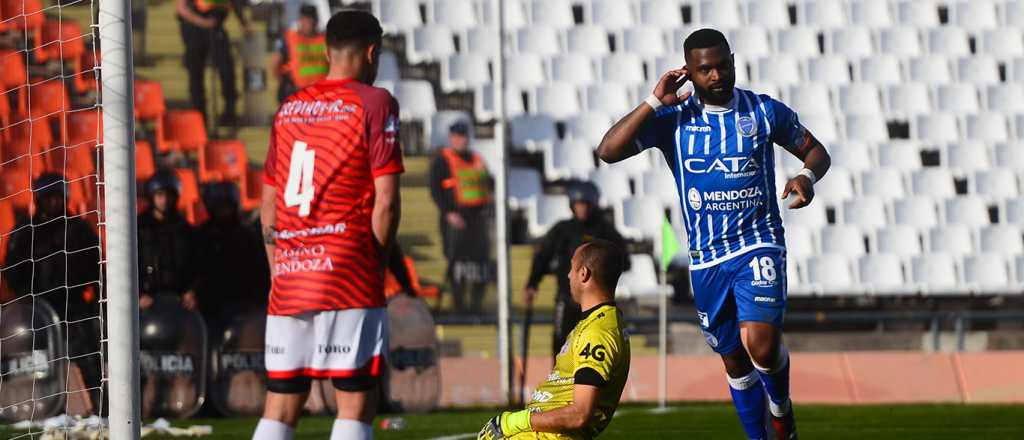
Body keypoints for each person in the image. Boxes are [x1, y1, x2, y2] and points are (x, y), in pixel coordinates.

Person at [596, 28, 831, 440]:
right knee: (735, 362)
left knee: (759, 343)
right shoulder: (673, 120)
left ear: (733, 62)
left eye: (723, 65)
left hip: (758, 243)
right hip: (706, 258)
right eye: (705, 69)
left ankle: (781, 408)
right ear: (688, 72)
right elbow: (608, 150)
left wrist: (806, 177)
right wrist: (654, 101)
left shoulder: (763, 111)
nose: (717, 75)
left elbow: (817, 152)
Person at [254, 10, 402, 440]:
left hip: (292, 269)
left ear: (325, 50)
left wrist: (276, 268)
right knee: (355, 403)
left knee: (280, 405)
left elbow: (269, 203)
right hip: (347, 268)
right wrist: (378, 263)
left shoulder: (289, 107)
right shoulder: (375, 102)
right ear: (372, 52)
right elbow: (387, 202)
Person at [478, 239, 631, 440]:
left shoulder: (598, 333)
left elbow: (580, 414)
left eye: (571, 268)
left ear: (584, 274)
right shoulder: (595, 323)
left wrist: (512, 422)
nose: (568, 275)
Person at [4, 174, 103, 406]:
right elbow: (12, 269)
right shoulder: (25, 231)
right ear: (39, 200)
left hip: (72, 307)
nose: (54, 203)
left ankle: (100, 406)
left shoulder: (78, 229)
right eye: (49, 199)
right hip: (35, 309)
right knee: (33, 361)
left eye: (58, 198)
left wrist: (92, 297)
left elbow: (96, 266)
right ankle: (31, 408)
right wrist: (23, 298)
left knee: (87, 358)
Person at [523, 182, 627, 357]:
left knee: (592, 343)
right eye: (578, 205)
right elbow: (543, 257)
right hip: (566, 299)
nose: (582, 209)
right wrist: (532, 283)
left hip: (595, 302)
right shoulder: (562, 230)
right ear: (572, 205)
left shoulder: (604, 230)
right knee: (560, 344)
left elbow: (623, 258)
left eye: (585, 204)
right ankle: (560, 381)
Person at [429, 121, 493, 315]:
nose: (461, 140)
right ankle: (459, 307)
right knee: (457, 267)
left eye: (463, 136)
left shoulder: (477, 160)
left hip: (477, 221)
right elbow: (435, 190)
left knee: (479, 265)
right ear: (451, 138)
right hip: (454, 222)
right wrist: (448, 213)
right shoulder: (441, 161)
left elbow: (490, 185)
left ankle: (476, 306)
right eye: (457, 136)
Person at [195, 182, 270, 338]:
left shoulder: (247, 235)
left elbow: (259, 274)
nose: (223, 212)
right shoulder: (202, 236)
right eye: (219, 207)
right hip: (213, 308)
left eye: (227, 207)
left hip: (246, 307)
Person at [176, 0, 250, 125]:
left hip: (216, 27)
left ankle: (229, 112)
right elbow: (181, 8)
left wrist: (244, 23)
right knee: (195, 75)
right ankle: (199, 118)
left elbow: (235, 4)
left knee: (227, 70)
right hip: (195, 29)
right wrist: (203, 22)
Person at [138, 169, 200, 313]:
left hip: (179, 303)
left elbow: (198, 266)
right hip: (147, 304)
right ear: (151, 196)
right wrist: (138, 295)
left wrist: (193, 292)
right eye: (159, 195)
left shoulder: (185, 230)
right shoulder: (139, 229)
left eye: (169, 195)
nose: (164, 200)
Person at [270, 4, 329, 103]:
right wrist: (283, 83)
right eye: (307, 20)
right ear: (300, 20)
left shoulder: (325, 39)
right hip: (297, 93)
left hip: (321, 95)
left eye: (312, 20)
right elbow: (275, 63)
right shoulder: (289, 38)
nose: (310, 23)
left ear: (317, 21)